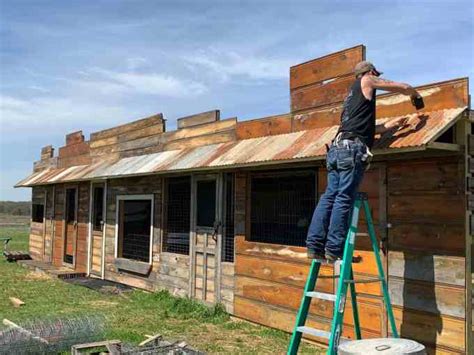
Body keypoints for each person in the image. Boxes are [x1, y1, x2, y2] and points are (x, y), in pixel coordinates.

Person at [306, 61, 422, 261]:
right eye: (376, 73)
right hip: (351, 150)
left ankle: (314, 247)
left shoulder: (351, 98)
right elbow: (402, 87)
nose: (376, 76)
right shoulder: (367, 79)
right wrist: (415, 95)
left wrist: (388, 126)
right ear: (370, 72)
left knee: (329, 197)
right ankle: (334, 250)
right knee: (343, 199)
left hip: (337, 149)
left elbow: (362, 127)